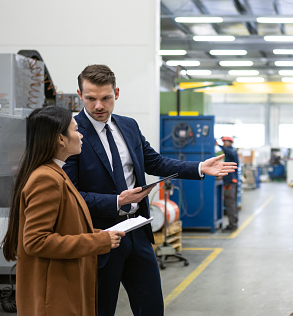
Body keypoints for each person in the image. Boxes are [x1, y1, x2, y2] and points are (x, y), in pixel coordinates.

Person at [63, 64, 237, 316]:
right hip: (101, 237)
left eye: (105, 98)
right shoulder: (72, 133)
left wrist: (198, 167)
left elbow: (155, 162)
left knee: (152, 306)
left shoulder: (128, 126)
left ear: (117, 93)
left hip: (137, 231)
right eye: (90, 99)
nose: (98, 106)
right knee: (100, 308)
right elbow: (72, 196)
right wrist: (115, 201)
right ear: (80, 95)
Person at [1, 106, 125, 316]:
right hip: (54, 297)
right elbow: (36, 241)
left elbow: (64, 225)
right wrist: (98, 242)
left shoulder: (56, 172)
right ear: (61, 139)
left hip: (63, 287)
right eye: (76, 130)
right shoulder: (45, 179)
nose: (81, 135)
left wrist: (99, 234)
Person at [217, 136, 240, 231]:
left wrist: (217, 145)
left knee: (230, 203)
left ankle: (232, 224)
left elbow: (226, 151)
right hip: (231, 181)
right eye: (223, 142)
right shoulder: (230, 153)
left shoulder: (231, 151)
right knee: (232, 203)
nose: (224, 144)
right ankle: (234, 222)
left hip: (230, 182)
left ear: (230, 142)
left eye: (225, 142)